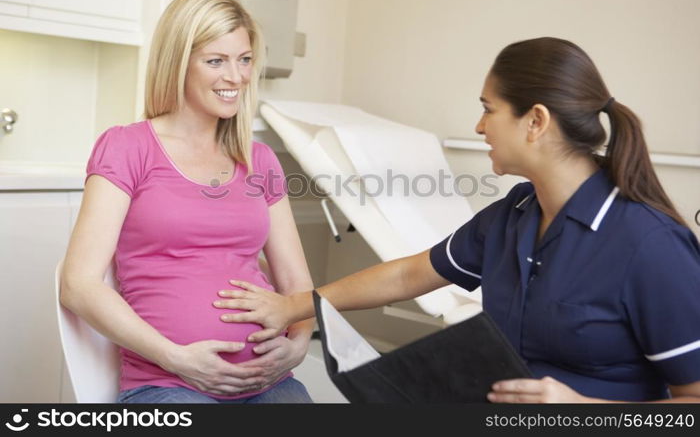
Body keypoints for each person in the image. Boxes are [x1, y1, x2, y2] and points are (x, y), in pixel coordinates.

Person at [214, 37, 700, 403]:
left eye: (488, 110)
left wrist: (583, 409)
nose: (479, 126)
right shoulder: (514, 216)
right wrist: (293, 305)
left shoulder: (650, 245)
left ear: (536, 121)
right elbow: (409, 274)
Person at [60, 0, 314, 403]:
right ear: (179, 63)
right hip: (169, 383)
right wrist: (176, 358)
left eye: (244, 59)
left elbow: (296, 282)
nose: (236, 76)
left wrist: (299, 343)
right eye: (216, 60)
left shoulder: (260, 160)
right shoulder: (127, 147)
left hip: (269, 381)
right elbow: (78, 284)